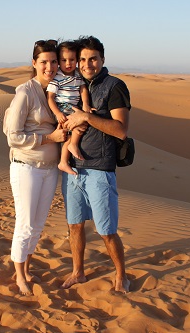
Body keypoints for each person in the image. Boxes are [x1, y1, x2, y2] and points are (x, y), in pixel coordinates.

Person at [61, 36, 131, 293]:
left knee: (106, 230)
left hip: (100, 169)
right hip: (72, 168)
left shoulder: (114, 86)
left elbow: (121, 130)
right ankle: (78, 272)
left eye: (93, 58)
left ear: (102, 59)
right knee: (74, 225)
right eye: (82, 59)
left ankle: (121, 275)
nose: (87, 64)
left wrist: (86, 117)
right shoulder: (74, 84)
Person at [3, 39, 68, 296]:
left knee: (39, 224)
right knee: (26, 224)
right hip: (26, 166)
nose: (50, 66)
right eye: (44, 62)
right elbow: (13, 136)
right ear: (34, 63)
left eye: (54, 61)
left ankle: (26, 268)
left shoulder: (57, 90)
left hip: (50, 168)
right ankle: (19, 276)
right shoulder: (25, 92)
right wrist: (48, 139)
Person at [46, 41, 91, 176]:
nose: (68, 63)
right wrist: (58, 113)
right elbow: (50, 98)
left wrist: (86, 104)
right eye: (64, 60)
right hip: (62, 107)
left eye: (72, 59)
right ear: (59, 61)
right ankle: (70, 151)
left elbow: (83, 89)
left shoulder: (78, 74)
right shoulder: (57, 77)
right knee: (79, 125)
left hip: (73, 107)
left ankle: (64, 161)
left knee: (73, 133)